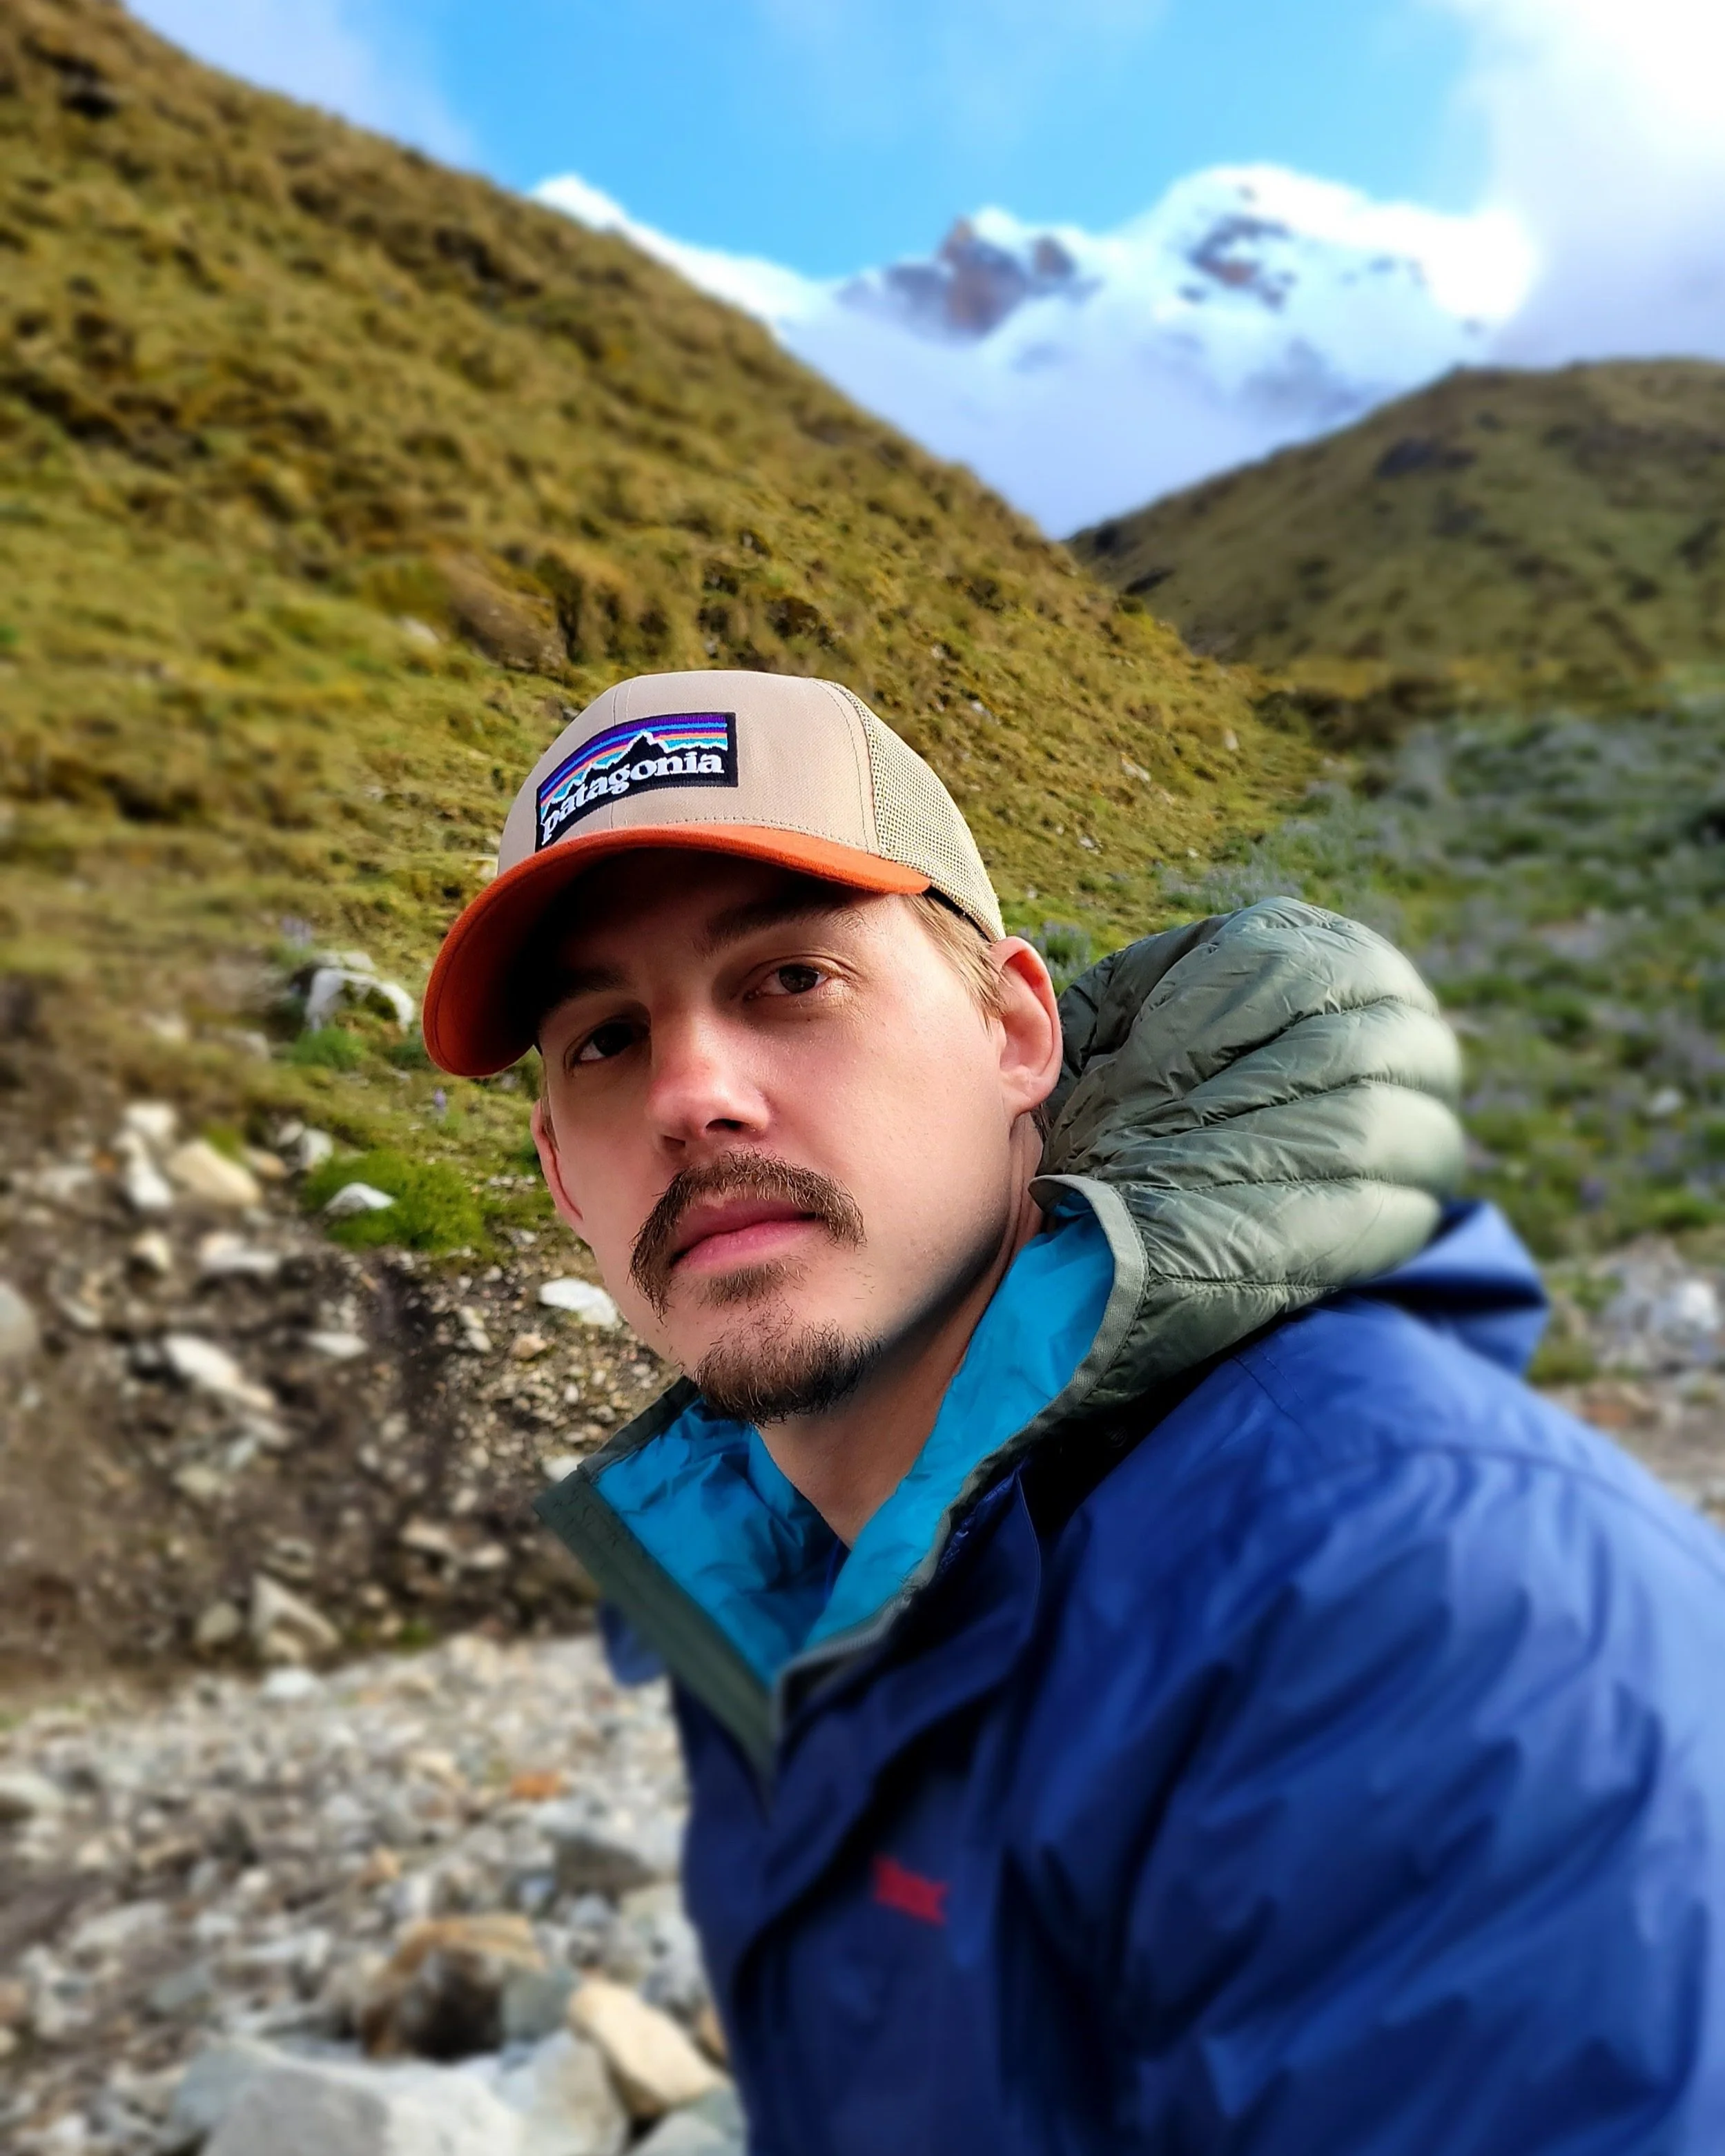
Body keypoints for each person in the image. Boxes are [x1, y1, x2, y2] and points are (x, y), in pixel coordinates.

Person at [424, 668, 1725, 2154]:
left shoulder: (1417, 1599)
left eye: (790, 978)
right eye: (605, 1038)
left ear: (1015, 1033)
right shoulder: (781, 1585)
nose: (690, 1093)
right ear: (560, 1173)